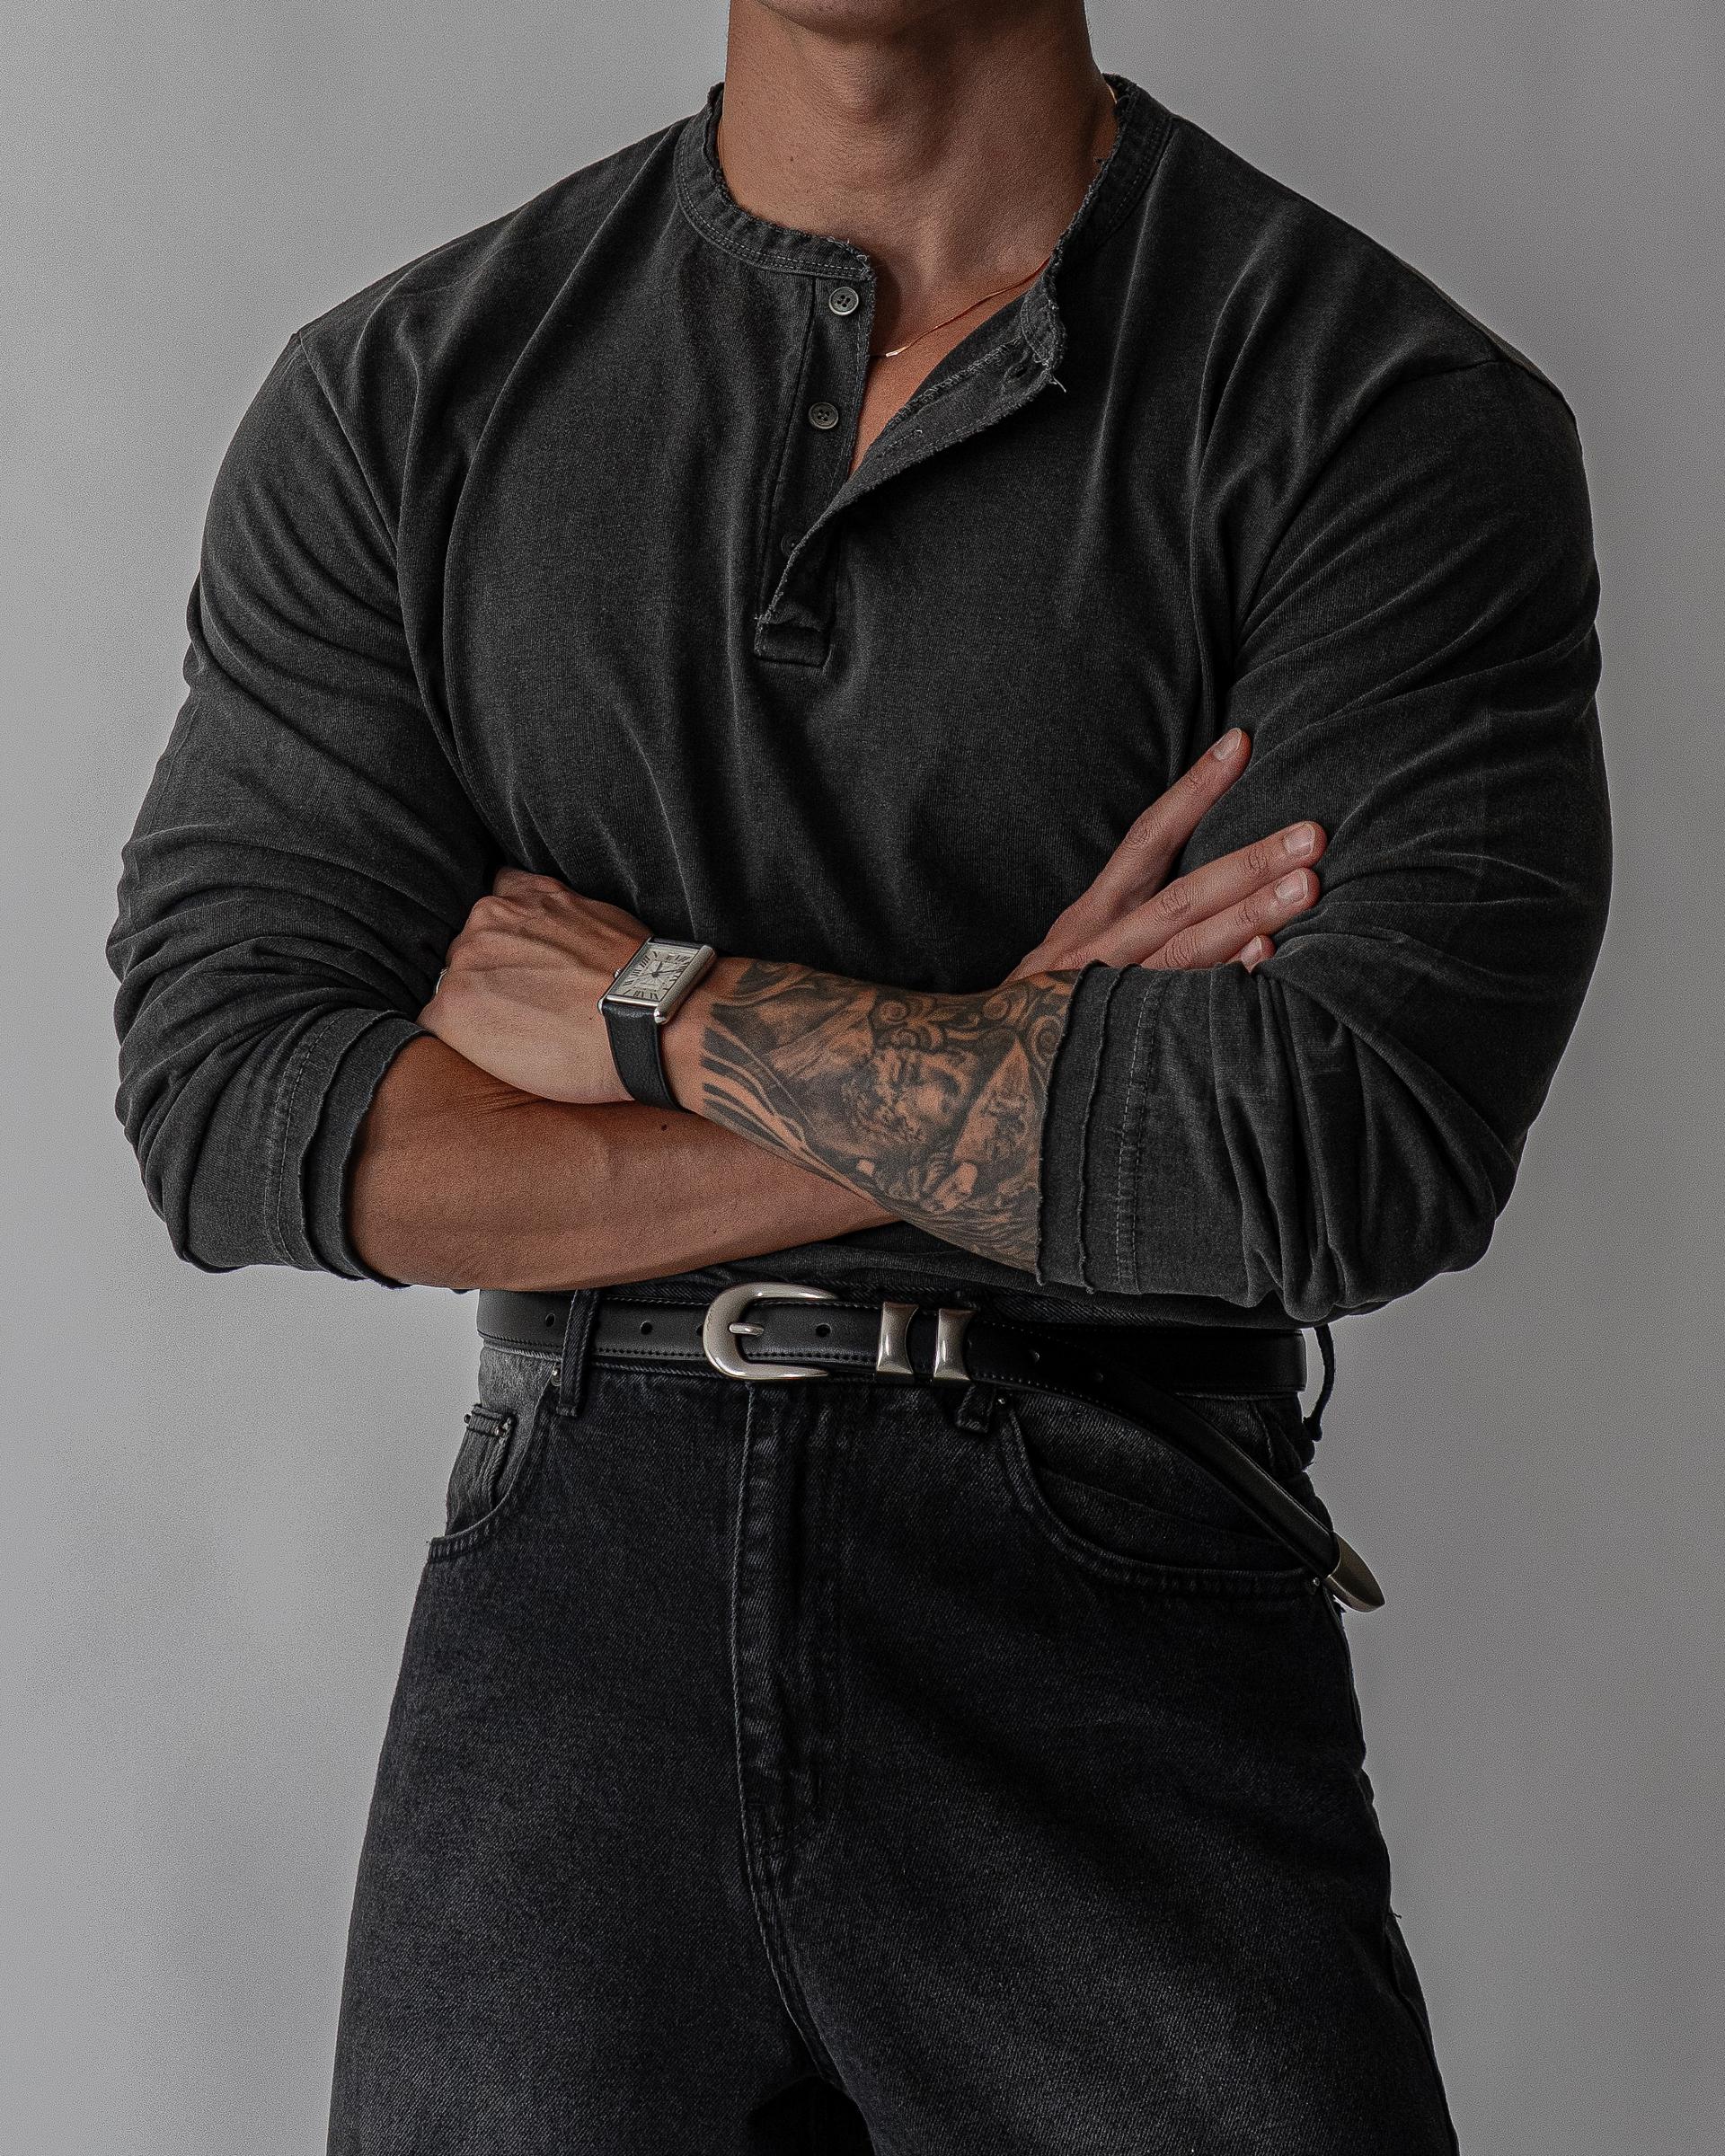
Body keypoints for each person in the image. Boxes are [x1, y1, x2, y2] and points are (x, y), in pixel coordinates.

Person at [108, 2, 1611, 2147]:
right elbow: (242, 1106)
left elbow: (1336, 1149)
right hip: (571, 1616)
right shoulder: (406, 392)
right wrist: (1016, 1050)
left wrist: (662, 1009)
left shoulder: (1374, 402)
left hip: (1113, 1572)